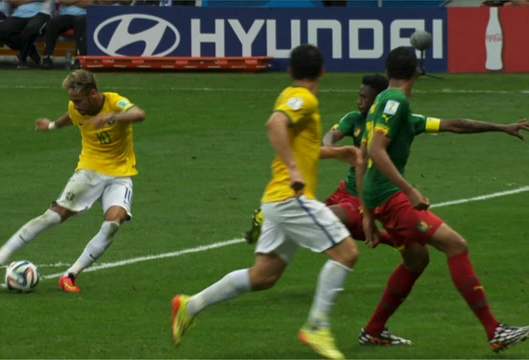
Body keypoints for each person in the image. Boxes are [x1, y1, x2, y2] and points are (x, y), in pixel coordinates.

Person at [171, 44, 361, 360]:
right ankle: (317, 325)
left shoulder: (292, 97)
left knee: (263, 277)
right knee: (347, 253)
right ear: (323, 71)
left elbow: (298, 143)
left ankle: (189, 306)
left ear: (290, 70)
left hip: (277, 199)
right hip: (291, 198)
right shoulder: (304, 98)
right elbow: (275, 124)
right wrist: (293, 168)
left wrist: (336, 153)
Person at [356, 46, 529, 351]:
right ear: (416, 71)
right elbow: (375, 151)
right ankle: (494, 331)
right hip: (391, 197)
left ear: (387, 72)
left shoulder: (387, 103)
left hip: (377, 196)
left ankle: (373, 330)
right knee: (456, 245)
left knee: (416, 260)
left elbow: (455, 125)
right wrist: (409, 190)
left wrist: (502, 127)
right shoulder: (395, 102)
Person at [244, 74, 529, 248]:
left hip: (368, 198)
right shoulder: (354, 118)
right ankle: (271, 218)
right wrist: (337, 149)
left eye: (364, 97)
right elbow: (330, 137)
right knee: (323, 225)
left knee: (342, 231)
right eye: (358, 95)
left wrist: (501, 126)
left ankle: (271, 219)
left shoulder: (405, 118)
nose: (359, 102)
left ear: (378, 98)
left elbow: (455, 124)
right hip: (351, 192)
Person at [0, 69, 146, 292]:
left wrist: (112, 117)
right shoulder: (76, 108)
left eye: (78, 100)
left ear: (93, 93)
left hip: (121, 174)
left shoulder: (115, 102)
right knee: (52, 217)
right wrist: (52, 125)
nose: (75, 105)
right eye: (71, 100)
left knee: (113, 224)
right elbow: (71, 117)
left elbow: (139, 114)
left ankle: (70, 275)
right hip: (89, 171)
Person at [0, 0, 54, 68]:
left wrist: (22, 1)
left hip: (43, 12)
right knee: (1, 31)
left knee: (31, 29)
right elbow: (12, 1)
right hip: (20, 13)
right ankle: (30, 48)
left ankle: (22, 57)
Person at [41, 0, 90, 70]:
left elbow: (88, 3)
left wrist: (70, 2)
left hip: (84, 15)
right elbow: (63, 1)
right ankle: (47, 57)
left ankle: (80, 59)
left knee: (80, 23)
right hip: (65, 15)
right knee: (52, 23)